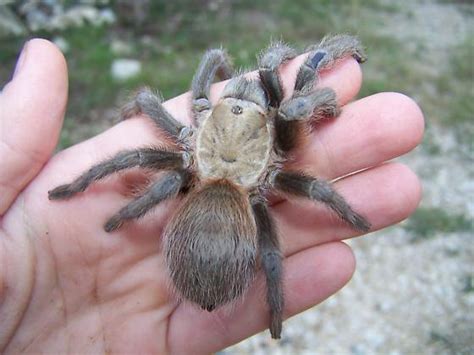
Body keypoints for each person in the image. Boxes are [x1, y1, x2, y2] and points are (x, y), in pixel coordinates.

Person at [0, 39, 423, 353]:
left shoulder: (187, 135)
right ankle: (273, 313)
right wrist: (320, 100)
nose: (239, 99)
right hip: (237, 196)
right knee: (273, 245)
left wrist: (124, 213)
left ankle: (270, 308)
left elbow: (155, 99)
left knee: (143, 158)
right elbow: (293, 109)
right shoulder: (277, 145)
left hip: (207, 187)